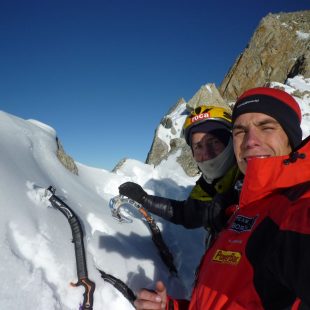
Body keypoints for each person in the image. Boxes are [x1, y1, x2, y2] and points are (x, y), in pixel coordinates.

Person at [134, 87, 310, 310]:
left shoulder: (297, 209)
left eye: (266, 127)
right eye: (240, 131)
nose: (250, 141)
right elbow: (189, 214)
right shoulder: (232, 193)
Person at [119, 105, 241, 242]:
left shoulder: (252, 181)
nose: (206, 154)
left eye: (215, 141)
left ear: (232, 141)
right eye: (198, 146)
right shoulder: (207, 185)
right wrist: (144, 199)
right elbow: (186, 214)